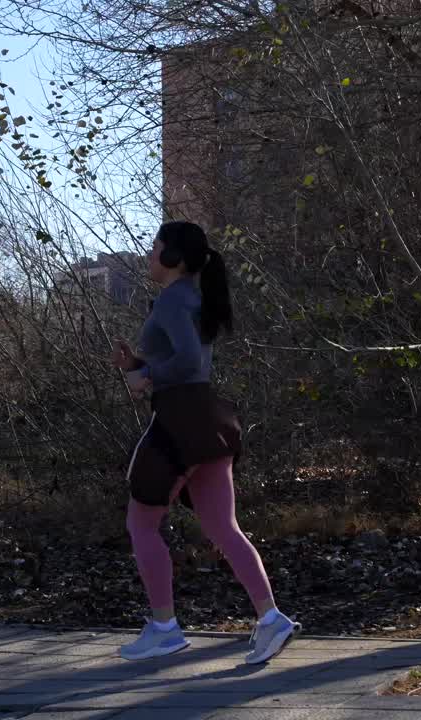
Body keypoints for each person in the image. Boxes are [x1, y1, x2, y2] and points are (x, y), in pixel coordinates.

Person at [110, 220, 298, 663]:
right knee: (222, 528)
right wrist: (139, 363)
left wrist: (148, 375)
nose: (150, 255)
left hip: (179, 421)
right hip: (209, 420)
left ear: (173, 258)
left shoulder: (174, 300)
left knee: (141, 525)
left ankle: (164, 628)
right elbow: (186, 358)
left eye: (155, 248)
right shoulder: (192, 296)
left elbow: (190, 364)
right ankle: (271, 620)